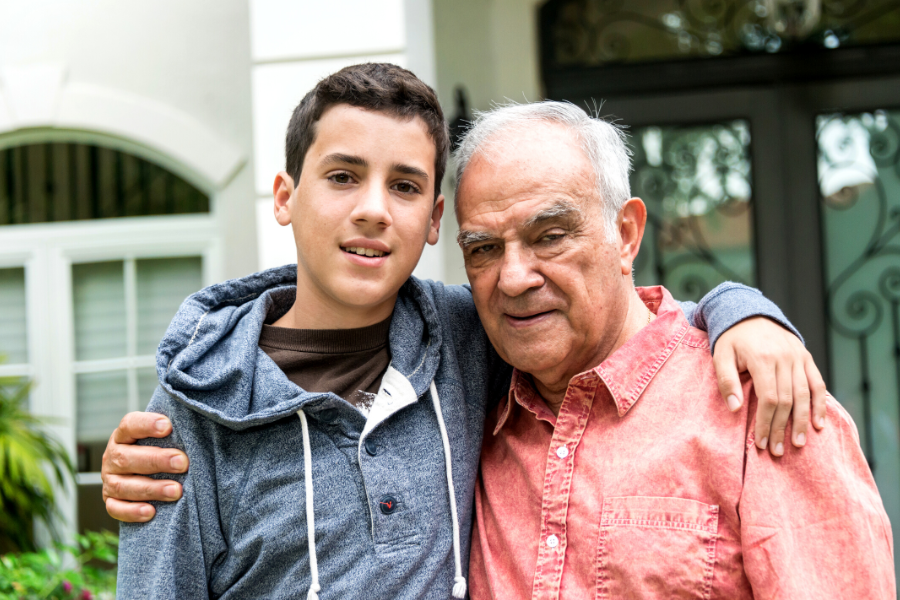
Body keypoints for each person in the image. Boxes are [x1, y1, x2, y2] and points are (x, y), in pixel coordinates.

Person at [112, 64, 826, 599]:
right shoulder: (196, 409)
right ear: (284, 197)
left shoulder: (465, 336)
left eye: (404, 185)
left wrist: (741, 310)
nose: (371, 210)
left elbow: (608, 312)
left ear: (431, 222)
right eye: (341, 176)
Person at [453, 101, 894, 598]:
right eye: (484, 248)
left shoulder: (764, 404)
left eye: (550, 237)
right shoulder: (464, 414)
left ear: (625, 235)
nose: (512, 278)